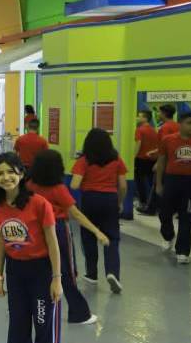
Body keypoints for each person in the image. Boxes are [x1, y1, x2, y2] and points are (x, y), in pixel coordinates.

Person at [0, 153, 62, 343]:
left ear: (21, 174)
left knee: (43, 328)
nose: (6, 177)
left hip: (41, 273)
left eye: (11, 172)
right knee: (17, 329)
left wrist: (56, 278)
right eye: (0, 173)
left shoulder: (40, 204)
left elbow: (53, 243)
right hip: (16, 273)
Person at [29, 150, 110, 325]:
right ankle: (79, 313)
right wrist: (97, 231)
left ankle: (31, 308)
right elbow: (76, 215)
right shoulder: (58, 189)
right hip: (58, 230)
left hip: (35, 230)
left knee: (39, 269)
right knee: (67, 271)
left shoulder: (29, 186)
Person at [71, 129, 127, 292]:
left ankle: (92, 274)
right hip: (110, 200)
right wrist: (120, 202)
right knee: (112, 238)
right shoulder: (117, 159)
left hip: (89, 200)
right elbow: (123, 185)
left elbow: (74, 184)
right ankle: (112, 273)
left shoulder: (84, 160)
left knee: (89, 236)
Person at [155, 111, 191, 264]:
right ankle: (168, 235)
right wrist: (159, 183)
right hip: (171, 181)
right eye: (189, 123)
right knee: (164, 213)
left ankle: (183, 251)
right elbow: (161, 162)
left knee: (187, 216)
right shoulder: (168, 140)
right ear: (180, 124)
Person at [134, 109, 159, 212]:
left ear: (145, 118)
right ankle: (152, 203)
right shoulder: (154, 130)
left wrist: (134, 157)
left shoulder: (139, 129)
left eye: (139, 116)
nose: (137, 118)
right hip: (152, 159)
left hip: (141, 159)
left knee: (140, 182)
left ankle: (143, 203)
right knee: (150, 182)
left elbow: (138, 143)